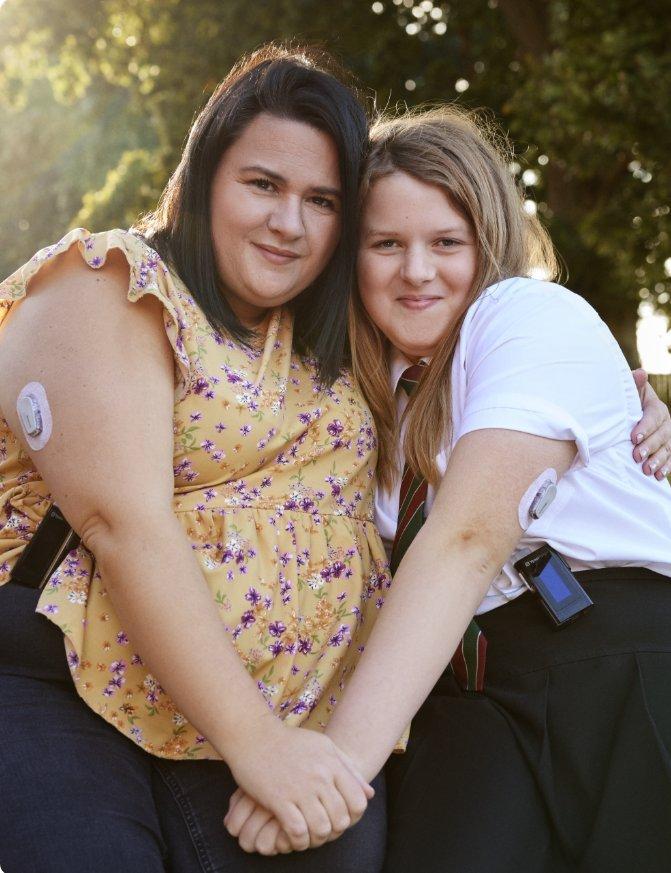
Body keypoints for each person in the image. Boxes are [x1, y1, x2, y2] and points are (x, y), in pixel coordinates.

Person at [224, 106, 671, 872]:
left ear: (486, 243)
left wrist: (331, 771)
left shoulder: (528, 318)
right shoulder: (359, 396)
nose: (416, 271)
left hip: (619, 659)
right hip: (469, 690)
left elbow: (465, 538)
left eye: (445, 243)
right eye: (386, 244)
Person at [0, 45, 389, 873]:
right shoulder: (112, 283)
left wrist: (623, 407)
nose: (290, 222)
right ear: (206, 174)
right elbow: (122, 522)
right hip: (60, 683)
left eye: (321, 200)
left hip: (262, 722)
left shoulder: (331, 338)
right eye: (263, 185)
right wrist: (260, 744)